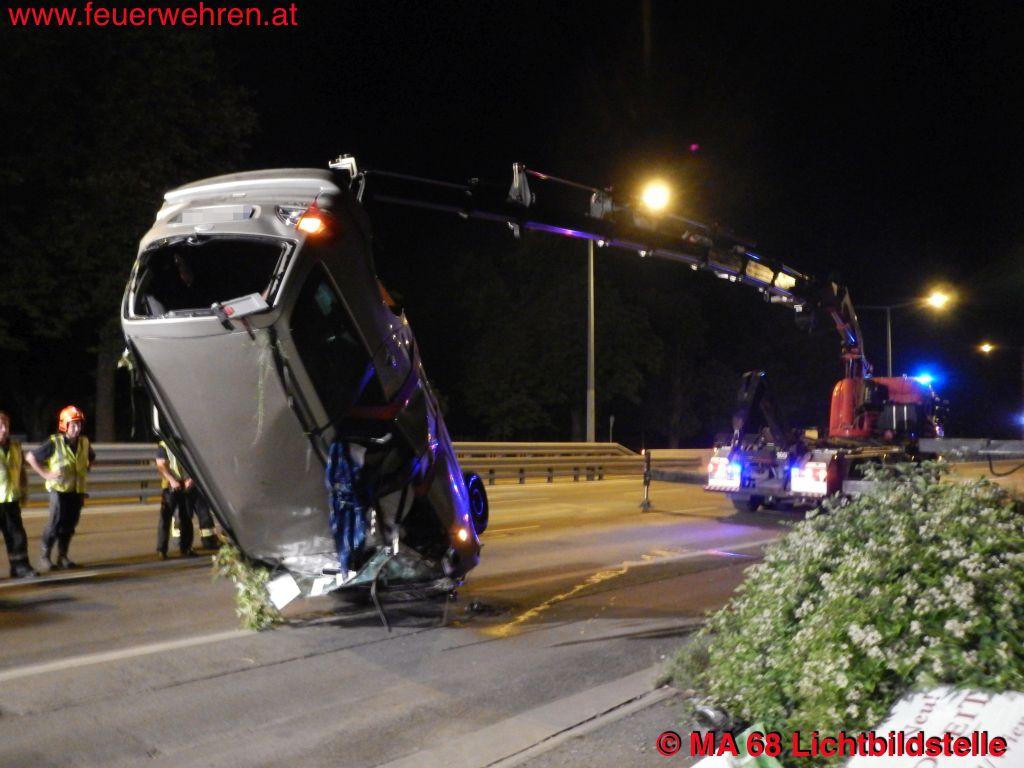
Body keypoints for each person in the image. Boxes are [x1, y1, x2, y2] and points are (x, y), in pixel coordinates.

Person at [25, 405, 94, 571]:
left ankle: (63, 556)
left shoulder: (84, 442)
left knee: (70, 525)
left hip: (76, 491)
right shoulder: (54, 442)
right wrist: (46, 474)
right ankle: (45, 557)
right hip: (59, 491)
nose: (77, 428)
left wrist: (86, 469)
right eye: (73, 424)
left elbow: (91, 458)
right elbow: (30, 457)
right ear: (65, 425)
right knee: (55, 524)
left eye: (79, 424)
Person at [0, 411, 38, 578]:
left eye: (5, 426)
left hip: (11, 500)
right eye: (0, 426)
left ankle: (20, 566)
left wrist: (23, 492)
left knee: (17, 536)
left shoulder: (15, 447)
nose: (3, 429)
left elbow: (21, 471)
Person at [155, 440, 196, 559]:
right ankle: (161, 550)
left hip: (185, 484)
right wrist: (172, 481)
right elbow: (161, 465)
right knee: (165, 518)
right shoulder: (164, 445)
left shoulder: (185, 441)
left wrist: (191, 479)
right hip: (170, 486)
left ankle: (186, 548)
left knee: (187, 517)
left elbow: (193, 462)